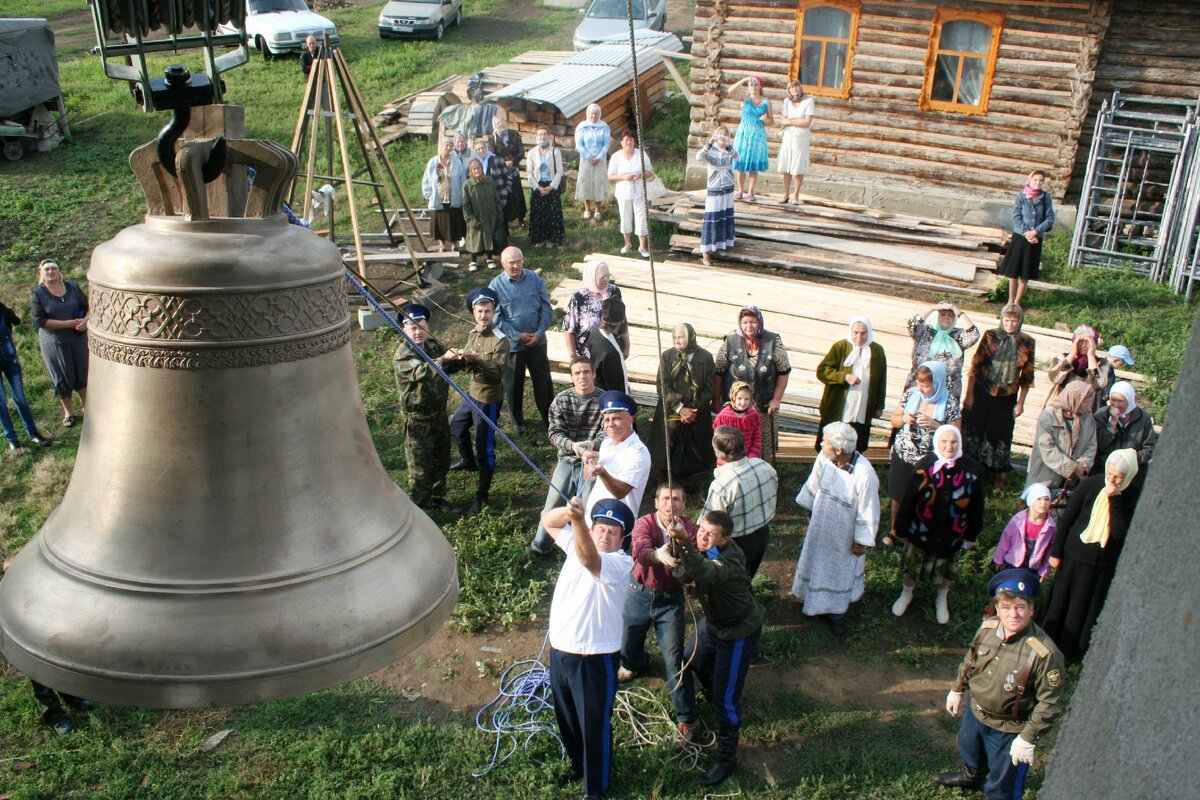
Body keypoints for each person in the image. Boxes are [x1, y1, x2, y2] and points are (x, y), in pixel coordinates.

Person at [934, 568, 1065, 799]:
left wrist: (1027, 738)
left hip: (1009, 729)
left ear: (1031, 609)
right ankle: (973, 776)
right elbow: (970, 659)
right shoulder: (987, 629)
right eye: (1006, 608)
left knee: (1004, 785)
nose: (1013, 614)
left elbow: (1050, 703)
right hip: (975, 714)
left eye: (1020, 607)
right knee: (969, 748)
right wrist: (957, 689)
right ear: (997, 609)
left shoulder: (1044, 654)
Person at [660, 508, 765, 787]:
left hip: (737, 631)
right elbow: (695, 571)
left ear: (725, 539)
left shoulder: (730, 560)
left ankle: (727, 759)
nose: (703, 537)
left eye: (710, 535)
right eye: (702, 531)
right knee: (690, 657)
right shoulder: (710, 550)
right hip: (714, 624)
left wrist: (684, 543)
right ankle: (714, 685)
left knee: (726, 699)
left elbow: (706, 570)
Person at [544, 496, 635, 800]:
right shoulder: (577, 541)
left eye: (613, 532)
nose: (605, 536)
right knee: (568, 718)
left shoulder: (620, 562)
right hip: (560, 651)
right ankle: (578, 764)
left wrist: (579, 521)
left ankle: (595, 789)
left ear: (623, 540)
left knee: (594, 727)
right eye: (601, 529)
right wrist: (568, 513)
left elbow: (588, 559)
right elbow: (548, 521)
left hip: (593, 658)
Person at [617, 482, 709, 747]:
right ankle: (634, 663)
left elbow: (695, 565)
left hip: (671, 601)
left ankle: (689, 719)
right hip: (639, 592)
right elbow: (641, 552)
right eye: (666, 499)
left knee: (674, 658)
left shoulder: (690, 530)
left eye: (677, 499)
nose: (671, 504)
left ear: (684, 505)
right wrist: (659, 554)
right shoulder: (644, 523)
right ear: (656, 503)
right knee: (628, 643)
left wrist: (681, 542)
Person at [1040, 449, 1141, 663]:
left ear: (1129, 477)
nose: (1111, 480)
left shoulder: (1132, 496)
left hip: (1102, 565)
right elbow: (1068, 519)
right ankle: (1045, 644)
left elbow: (1121, 533)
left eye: (1118, 477)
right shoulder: (1091, 484)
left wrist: (1114, 499)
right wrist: (1056, 553)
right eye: (1110, 474)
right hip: (1073, 557)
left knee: (1083, 610)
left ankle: (1071, 654)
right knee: (1061, 602)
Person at [791, 422, 880, 636]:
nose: (822, 444)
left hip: (844, 534)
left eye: (826, 442)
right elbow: (814, 483)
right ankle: (811, 600)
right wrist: (810, 509)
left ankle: (836, 612)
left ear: (839, 450)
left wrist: (861, 541)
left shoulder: (865, 475)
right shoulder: (825, 458)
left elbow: (868, 510)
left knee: (838, 569)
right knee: (816, 561)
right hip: (821, 524)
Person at [891, 425, 985, 625]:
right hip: (922, 529)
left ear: (960, 443)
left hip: (953, 532)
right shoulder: (925, 465)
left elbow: (977, 505)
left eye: (953, 442)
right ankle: (907, 593)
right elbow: (909, 498)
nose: (949, 446)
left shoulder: (972, 469)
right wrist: (901, 528)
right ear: (937, 442)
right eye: (944, 441)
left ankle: (941, 598)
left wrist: (971, 535)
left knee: (947, 566)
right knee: (914, 564)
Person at [540, 390, 651, 541]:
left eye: (616, 419)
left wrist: (602, 472)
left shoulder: (638, 452)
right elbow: (589, 477)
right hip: (592, 520)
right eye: (606, 420)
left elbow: (621, 492)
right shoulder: (606, 443)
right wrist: (588, 464)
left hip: (614, 528)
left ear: (631, 419)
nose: (610, 425)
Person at [530, 356, 606, 557]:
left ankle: (586, 551)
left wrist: (592, 445)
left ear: (594, 374)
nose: (582, 377)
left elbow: (608, 431)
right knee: (552, 504)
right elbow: (554, 433)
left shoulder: (605, 401)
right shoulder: (561, 400)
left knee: (588, 508)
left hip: (591, 463)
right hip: (566, 460)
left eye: (586, 372)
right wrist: (573, 446)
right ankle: (540, 546)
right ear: (572, 377)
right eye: (577, 373)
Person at [445, 288, 510, 515]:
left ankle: (482, 496)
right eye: (480, 311)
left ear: (494, 312)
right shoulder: (473, 333)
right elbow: (468, 366)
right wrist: (460, 358)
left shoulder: (501, 341)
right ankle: (468, 461)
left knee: (485, 447)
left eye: (488, 311)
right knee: (456, 428)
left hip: (488, 400)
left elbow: (496, 373)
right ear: (474, 312)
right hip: (471, 394)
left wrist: (478, 360)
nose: (484, 316)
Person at [962, 304, 1036, 491]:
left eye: (1015, 320)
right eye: (1007, 319)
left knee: (1002, 432)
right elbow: (975, 367)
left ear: (1020, 321)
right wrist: (969, 395)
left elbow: (1027, 376)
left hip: (1007, 395)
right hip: (983, 391)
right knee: (975, 428)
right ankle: (970, 468)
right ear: (1002, 320)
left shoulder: (1027, 342)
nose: (1010, 324)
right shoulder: (990, 336)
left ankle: (999, 475)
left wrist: (1020, 403)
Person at [886, 361, 960, 538]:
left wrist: (935, 424)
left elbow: (956, 433)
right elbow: (894, 420)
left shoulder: (950, 403)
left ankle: (914, 531)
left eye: (926, 386)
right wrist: (904, 418)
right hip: (904, 453)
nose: (920, 389)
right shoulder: (911, 394)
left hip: (929, 460)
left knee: (923, 497)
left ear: (938, 383)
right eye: (919, 384)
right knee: (898, 493)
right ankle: (895, 530)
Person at [393, 303, 454, 513]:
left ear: (427, 325)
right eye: (413, 328)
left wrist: (463, 357)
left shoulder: (433, 346)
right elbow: (422, 371)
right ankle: (420, 508)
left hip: (438, 414)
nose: (418, 332)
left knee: (442, 458)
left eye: (421, 326)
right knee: (420, 467)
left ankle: (437, 498)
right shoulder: (403, 354)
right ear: (404, 329)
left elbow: (449, 362)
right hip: (418, 420)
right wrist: (445, 359)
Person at [713, 305, 791, 464]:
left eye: (753, 322)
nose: (749, 326)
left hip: (764, 405)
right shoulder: (730, 341)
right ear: (740, 324)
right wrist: (716, 399)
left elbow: (784, 371)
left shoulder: (773, 341)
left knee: (762, 446)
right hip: (736, 407)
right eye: (745, 322)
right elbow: (718, 372)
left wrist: (777, 398)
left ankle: (762, 474)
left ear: (760, 322)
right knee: (733, 443)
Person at [489, 246, 553, 434]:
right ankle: (518, 421)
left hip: (538, 342)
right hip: (514, 346)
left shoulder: (535, 279)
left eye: (519, 261)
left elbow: (546, 308)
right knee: (513, 384)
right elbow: (496, 319)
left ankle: (549, 418)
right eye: (511, 263)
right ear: (503, 264)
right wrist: (518, 336)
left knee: (543, 382)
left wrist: (540, 332)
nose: (516, 266)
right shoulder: (496, 286)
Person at [701, 426, 778, 579]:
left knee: (729, 583)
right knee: (748, 576)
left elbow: (711, 529)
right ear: (743, 446)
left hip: (736, 544)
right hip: (762, 534)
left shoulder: (722, 485)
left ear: (718, 454)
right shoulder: (765, 466)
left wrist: (712, 559)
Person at [649, 323, 716, 482]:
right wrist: (680, 408)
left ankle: (689, 479)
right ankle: (664, 477)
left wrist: (694, 410)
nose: (677, 340)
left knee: (694, 444)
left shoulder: (705, 357)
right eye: (674, 337)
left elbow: (709, 387)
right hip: (672, 409)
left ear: (691, 337)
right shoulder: (667, 356)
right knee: (668, 440)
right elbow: (662, 386)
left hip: (696, 412)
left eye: (681, 337)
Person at [815, 316, 887, 454]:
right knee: (831, 445)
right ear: (851, 331)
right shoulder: (841, 347)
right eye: (856, 332)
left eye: (863, 333)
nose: (859, 337)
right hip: (840, 408)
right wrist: (844, 376)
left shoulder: (877, 351)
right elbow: (822, 371)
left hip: (862, 408)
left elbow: (882, 379)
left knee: (856, 447)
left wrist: (879, 405)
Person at [30, 259, 88, 427]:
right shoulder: (38, 294)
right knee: (62, 376)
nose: (50, 272)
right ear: (41, 273)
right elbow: (38, 320)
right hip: (54, 342)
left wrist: (85, 321)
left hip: (78, 338)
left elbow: (90, 307)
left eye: (53, 268)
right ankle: (69, 412)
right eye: (46, 269)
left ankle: (88, 408)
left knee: (82, 372)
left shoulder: (73, 288)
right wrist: (67, 324)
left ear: (60, 271)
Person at [1024, 381, 1097, 494]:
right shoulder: (1049, 415)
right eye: (1085, 400)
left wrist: (1083, 465)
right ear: (1073, 397)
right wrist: (1071, 468)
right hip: (1046, 475)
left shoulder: (1087, 417)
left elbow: (1092, 444)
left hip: (1074, 479)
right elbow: (1047, 448)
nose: (1088, 403)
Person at [998, 170, 1055, 307]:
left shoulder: (1045, 198)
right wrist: (1026, 233)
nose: (1038, 182)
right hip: (1020, 237)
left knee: (1026, 271)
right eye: (1035, 179)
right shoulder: (1021, 196)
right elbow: (1016, 217)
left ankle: (1018, 301)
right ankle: (1010, 300)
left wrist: (1035, 231)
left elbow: (1050, 218)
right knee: (1014, 270)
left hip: (1036, 238)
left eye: (1041, 180)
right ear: (1029, 180)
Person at [0, 300, 52, 451]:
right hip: (10, 361)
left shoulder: (3, 312)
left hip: (11, 362)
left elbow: (17, 321)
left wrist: (7, 311)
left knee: (20, 399)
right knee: (1, 403)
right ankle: (12, 438)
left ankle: (33, 433)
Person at [903, 301, 979, 402]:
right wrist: (933, 308)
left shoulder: (958, 336)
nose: (946, 317)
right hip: (918, 388)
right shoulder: (924, 331)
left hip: (948, 392)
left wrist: (958, 312)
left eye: (950, 315)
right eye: (942, 314)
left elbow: (974, 335)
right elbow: (913, 324)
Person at [1090, 381, 1156, 478]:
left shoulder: (1143, 419)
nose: (1116, 404)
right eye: (1113, 400)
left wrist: (1127, 461)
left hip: (1132, 472)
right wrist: (1112, 424)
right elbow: (1097, 445)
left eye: (1120, 401)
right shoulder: (1101, 415)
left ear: (1129, 400)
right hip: (1104, 469)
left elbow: (1149, 449)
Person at [562, 260, 623, 360]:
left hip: (612, 351)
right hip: (588, 355)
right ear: (592, 277)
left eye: (608, 275)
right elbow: (569, 328)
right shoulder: (580, 296)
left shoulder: (614, 291)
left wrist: (626, 346)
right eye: (603, 277)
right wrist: (573, 356)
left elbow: (622, 320)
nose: (607, 279)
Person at [991, 484, 1056, 579]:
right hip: (1012, 563)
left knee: (1025, 591)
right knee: (1007, 589)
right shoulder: (1017, 521)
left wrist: (1043, 572)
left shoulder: (1051, 527)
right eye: (1039, 499)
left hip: (1032, 569)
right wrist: (998, 560)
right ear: (1031, 501)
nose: (1043, 502)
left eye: (1046, 499)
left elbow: (1049, 552)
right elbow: (1004, 541)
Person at [696, 125, 738, 265]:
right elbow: (699, 157)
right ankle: (706, 251)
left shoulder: (729, 150)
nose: (723, 137)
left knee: (724, 216)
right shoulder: (711, 149)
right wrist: (709, 143)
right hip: (714, 189)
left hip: (728, 188)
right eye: (720, 134)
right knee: (712, 217)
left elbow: (738, 157)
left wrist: (729, 146)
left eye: (725, 135)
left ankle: (721, 245)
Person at [607, 129, 652, 258]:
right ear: (621, 142)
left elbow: (649, 171)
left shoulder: (641, 154)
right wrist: (623, 176)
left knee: (641, 217)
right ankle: (627, 243)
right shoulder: (616, 156)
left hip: (639, 190)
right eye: (626, 140)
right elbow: (610, 176)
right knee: (625, 217)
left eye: (631, 140)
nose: (629, 142)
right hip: (623, 191)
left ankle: (642, 246)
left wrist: (640, 175)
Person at [730, 75, 772, 202]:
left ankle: (750, 192)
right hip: (744, 133)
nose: (753, 87)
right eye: (751, 84)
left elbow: (772, 121)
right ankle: (740, 190)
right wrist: (743, 80)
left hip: (757, 134)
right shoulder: (744, 99)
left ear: (760, 86)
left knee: (754, 164)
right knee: (741, 163)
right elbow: (730, 91)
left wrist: (766, 120)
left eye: (755, 84)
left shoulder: (766, 101)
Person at [420, 138, 467, 252]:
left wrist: (463, 194)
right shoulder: (433, 162)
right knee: (440, 223)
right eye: (447, 145)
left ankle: (454, 244)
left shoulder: (457, 162)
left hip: (454, 197)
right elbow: (426, 179)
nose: (449, 148)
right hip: (438, 198)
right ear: (441, 147)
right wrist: (429, 195)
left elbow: (463, 179)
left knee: (454, 221)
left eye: (451, 146)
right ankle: (443, 245)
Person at [1046, 324, 1109, 407]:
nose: (1083, 345)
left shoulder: (1101, 363)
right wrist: (1072, 354)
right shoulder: (1063, 358)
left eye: (1087, 341)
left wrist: (1091, 356)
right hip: (1060, 407)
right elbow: (1055, 379)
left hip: (1085, 409)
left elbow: (1099, 384)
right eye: (1080, 341)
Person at [461, 158, 504, 272]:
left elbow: (496, 198)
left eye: (478, 168)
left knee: (489, 238)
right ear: (470, 171)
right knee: (475, 240)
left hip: (490, 217)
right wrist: (471, 220)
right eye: (474, 169)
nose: (477, 171)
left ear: (482, 168)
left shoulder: (489, 181)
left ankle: (489, 258)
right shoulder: (467, 185)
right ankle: (473, 261)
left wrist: (499, 214)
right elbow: (466, 205)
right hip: (476, 218)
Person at [526, 125, 565, 247]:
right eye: (540, 134)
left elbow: (559, 171)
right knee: (539, 214)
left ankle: (553, 239)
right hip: (538, 186)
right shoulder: (532, 153)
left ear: (548, 136)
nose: (542, 137)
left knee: (552, 213)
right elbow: (529, 172)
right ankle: (540, 239)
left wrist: (551, 187)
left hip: (551, 186)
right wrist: (538, 187)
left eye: (544, 134)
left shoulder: (555, 151)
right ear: (536, 137)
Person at [776, 79, 814, 204]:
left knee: (798, 166)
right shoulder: (787, 102)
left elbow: (806, 122)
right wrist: (794, 120)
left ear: (800, 88)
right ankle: (785, 193)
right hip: (788, 136)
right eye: (792, 87)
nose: (795, 89)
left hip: (801, 137)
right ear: (789, 90)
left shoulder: (808, 101)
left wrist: (791, 121)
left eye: (796, 86)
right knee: (786, 165)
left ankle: (796, 195)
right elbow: (783, 119)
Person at [473, 136, 510, 257]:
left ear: (487, 147)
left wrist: (506, 191)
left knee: (499, 222)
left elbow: (508, 176)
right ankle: (487, 248)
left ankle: (501, 248)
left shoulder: (497, 159)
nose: (481, 150)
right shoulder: (474, 163)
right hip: (482, 200)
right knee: (487, 224)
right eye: (478, 149)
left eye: (483, 147)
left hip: (498, 196)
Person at [575, 103, 611, 220]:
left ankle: (598, 210)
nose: (594, 116)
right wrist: (589, 157)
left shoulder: (604, 127)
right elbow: (579, 145)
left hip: (600, 160)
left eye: (596, 113)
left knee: (598, 183)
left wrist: (598, 157)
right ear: (588, 114)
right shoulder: (582, 127)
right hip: (586, 160)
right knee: (586, 182)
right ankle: (587, 209)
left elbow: (606, 144)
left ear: (599, 114)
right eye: (592, 113)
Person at [491, 114, 527, 227]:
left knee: (518, 194)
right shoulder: (492, 138)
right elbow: (492, 154)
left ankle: (521, 218)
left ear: (505, 122)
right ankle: (505, 220)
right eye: (497, 123)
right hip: (501, 172)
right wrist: (503, 163)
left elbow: (521, 151)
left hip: (514, 169)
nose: (500, 124)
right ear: (495, 125)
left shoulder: (514, 134)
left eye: (501, 121)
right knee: (504, 195)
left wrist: (513, 162)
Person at [712, 380, 761, 464]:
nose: (743, 402)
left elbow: (757, 437)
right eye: (739, 398)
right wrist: (725, 458)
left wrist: (752, 455)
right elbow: (718, 440)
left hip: (748, 458)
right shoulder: (723, 417)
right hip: (727, 459)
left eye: (746, 399)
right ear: (733, 397)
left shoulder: (753, 415)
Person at [587, 297, 628, 394]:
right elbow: (614, 385)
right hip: (607, 397)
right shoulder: (611, 352)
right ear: (622, 320)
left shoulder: (595, 333)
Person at [1097, 343, 1134, 408]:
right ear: (1116, 360)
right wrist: (1106, 396)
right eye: (1122, 362)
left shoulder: (1102, 363)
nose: (1122, 365)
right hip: (1098, 401)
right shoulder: (1107, 369)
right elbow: (1103, 386)